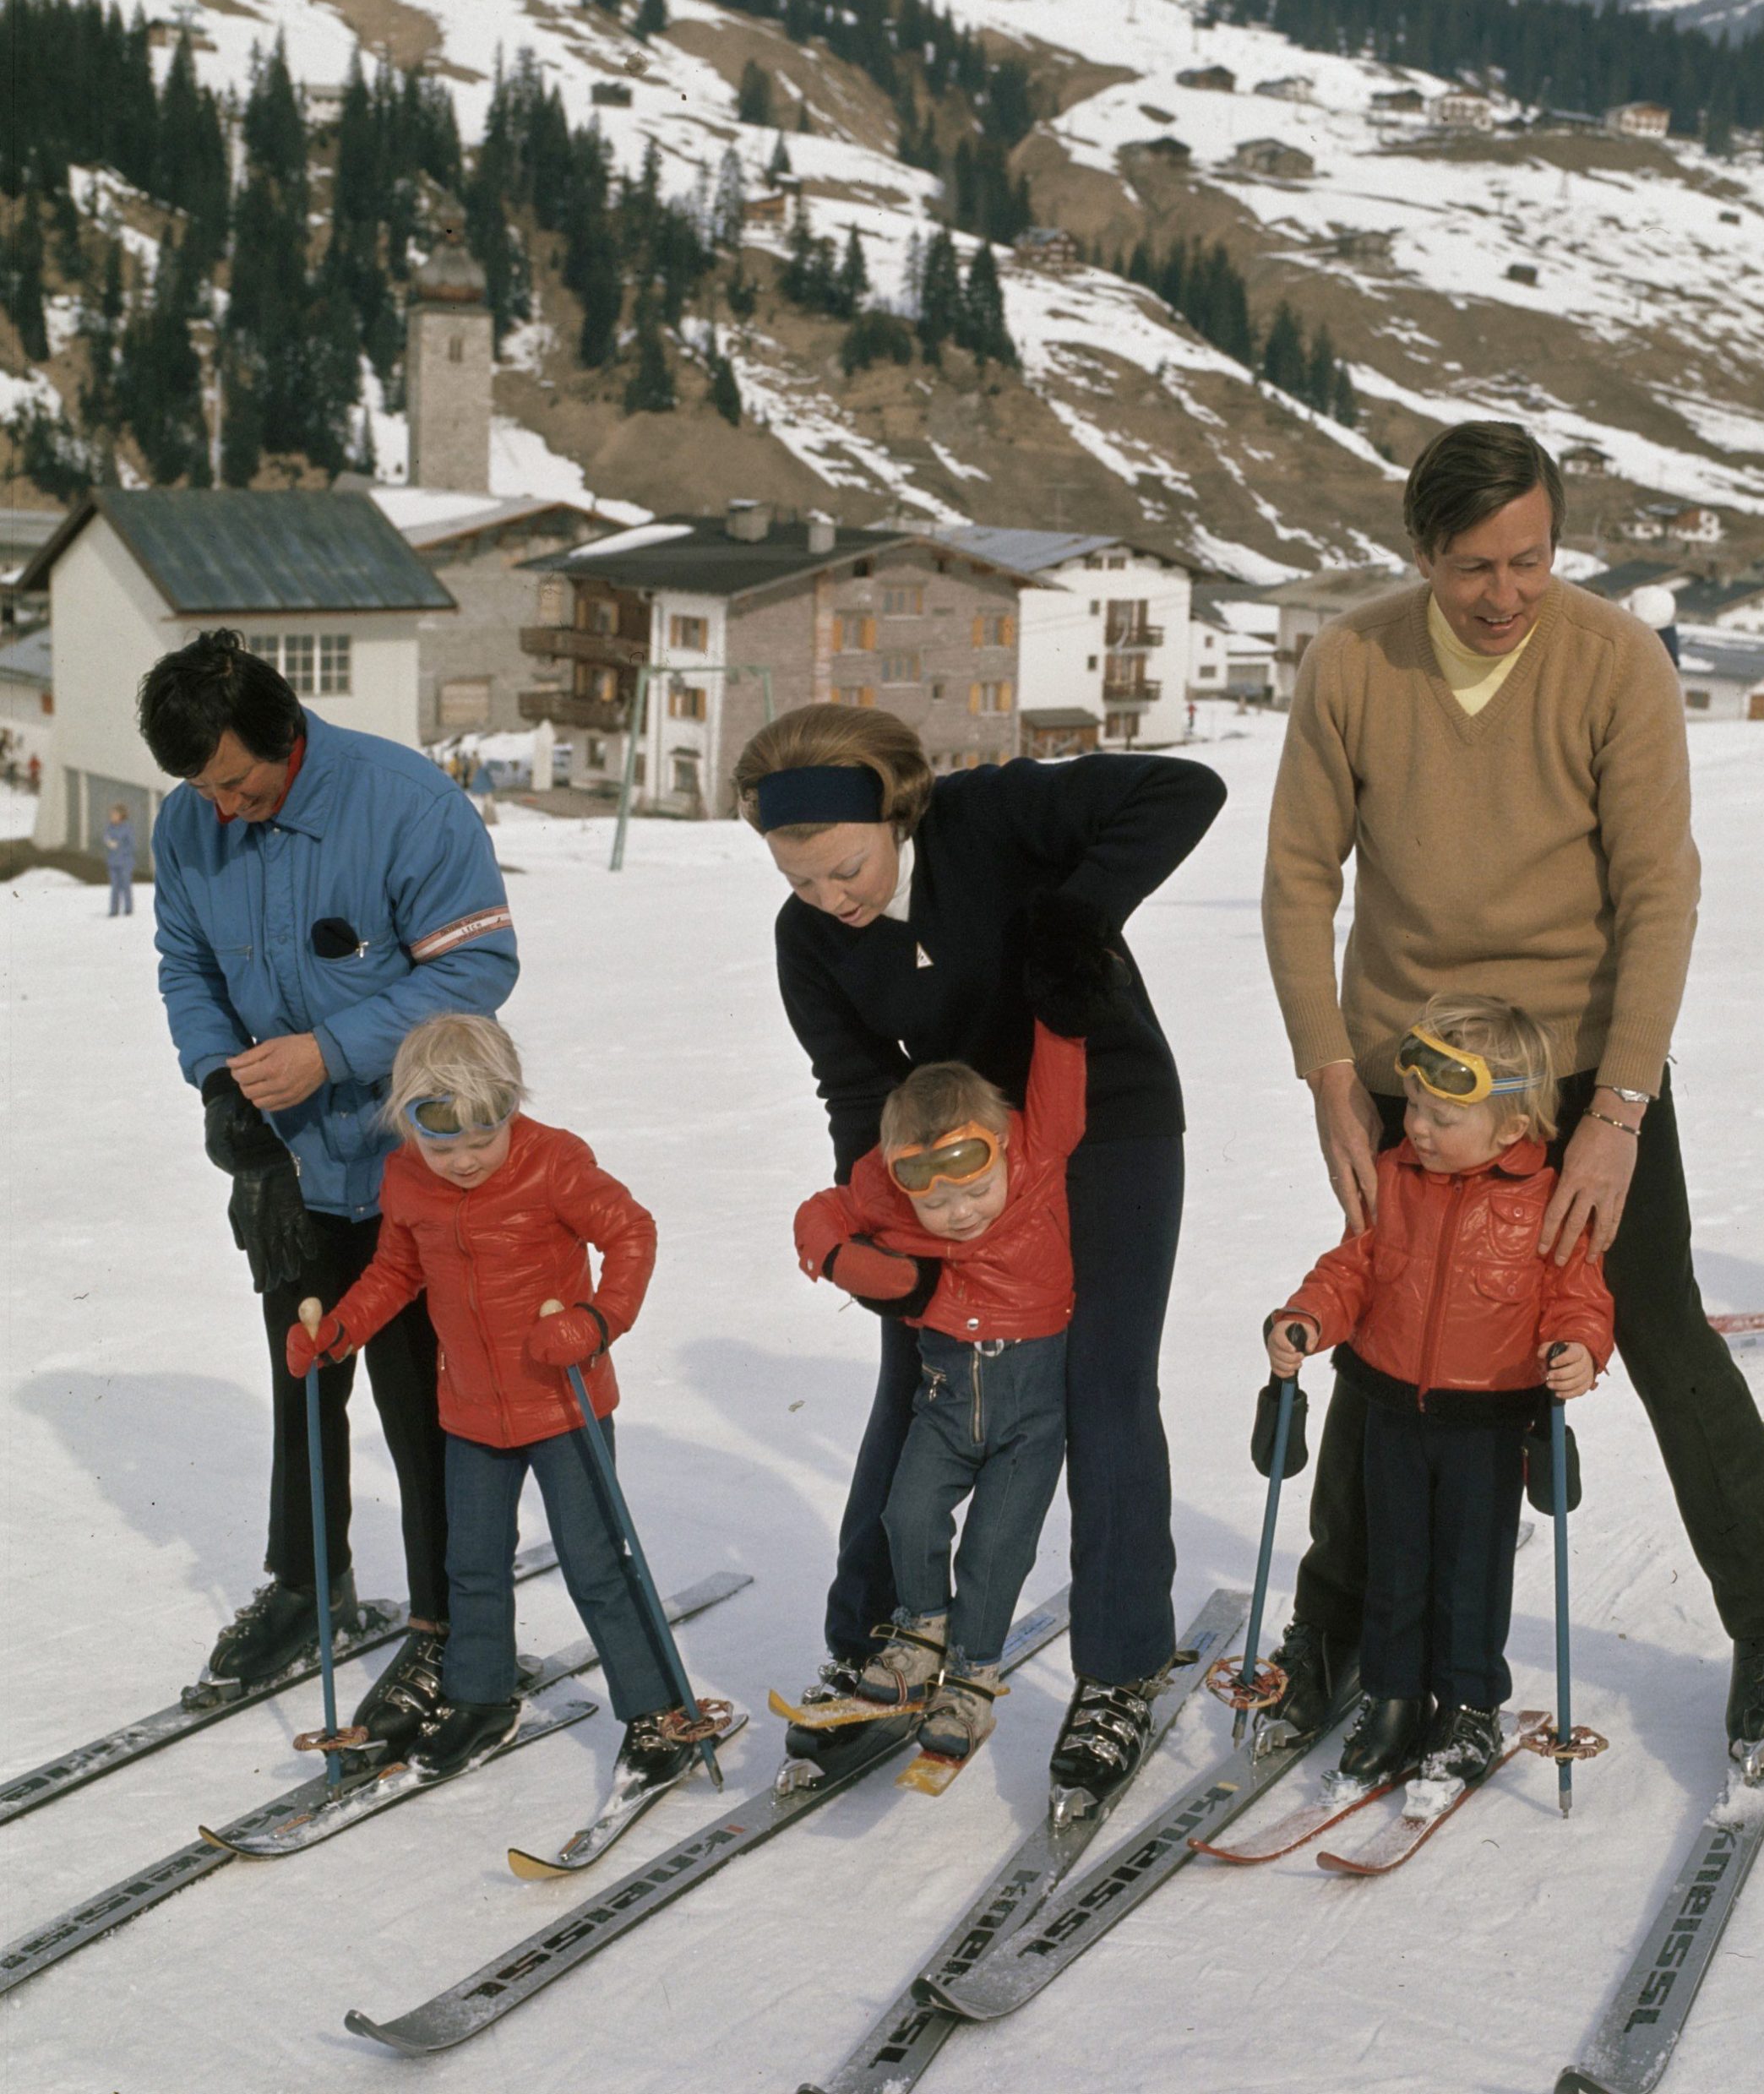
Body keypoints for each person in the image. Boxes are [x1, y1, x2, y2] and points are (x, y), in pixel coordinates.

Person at [1262, 420, 1764, 1773]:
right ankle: (1337, 1626)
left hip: (1580, 1065)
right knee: (1390, 1335)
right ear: (1422, 555)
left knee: (1651, 1326)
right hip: (1417, 1073)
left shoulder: (1610, 661)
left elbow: (1657, 892)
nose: (1506, 593)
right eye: (1473, 567)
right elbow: (1299, 879)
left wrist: (1618, 1112)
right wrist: (1332, 1078)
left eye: (1529, 559)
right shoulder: (1353, 659)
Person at [732, 704, 1223, 1802]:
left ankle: (1120, 1670)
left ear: (895, 814)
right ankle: (876, 1646)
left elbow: (1184, 790)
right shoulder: (805, 937)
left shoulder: (989, 815)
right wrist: (876, 1227)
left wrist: (1078, 915)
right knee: (915, 1386)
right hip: (957, 1174)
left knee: (1100, 1388)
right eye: (801, 879)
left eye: (846, 869)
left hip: (1107, 1126)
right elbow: (856, 1091)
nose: (831, 898)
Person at [142, 630, 517, 1743]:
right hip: (292, 1161)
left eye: (235, 781)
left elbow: (476, 968)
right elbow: (187, 962)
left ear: (284, 733)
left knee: (421, 1404)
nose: (221, 807)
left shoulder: (404, 803)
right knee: (304, 1372)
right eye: (200, 788)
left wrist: (330, 1050)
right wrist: (224, 1094)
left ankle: (455, 1633)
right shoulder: (191, 818)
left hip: (416, 1156)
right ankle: (309, 1584)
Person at [288, 1014, 708, 1788]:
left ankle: (657, 1710)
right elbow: (395, 1273)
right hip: (472, 1411)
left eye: (481, 1141)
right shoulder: (407, 1176)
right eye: (440, 1147)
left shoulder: (554, 1162)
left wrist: (596, 1319)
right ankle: (479, 1697)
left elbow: (632, 1234)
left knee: (595, 1565)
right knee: (471, 1564)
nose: (462, 1163)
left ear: (511, 1106)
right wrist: (340, 1330)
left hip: (563, 1403)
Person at [1264, 995, 1612, 1792]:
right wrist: (1310, 1316)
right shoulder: (1398, 1178)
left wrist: (1579, 1349)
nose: (1416, 1127)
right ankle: (1389, 1700)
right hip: (1390, 1409)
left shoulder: (1546, 1203)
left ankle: (1465, 1710)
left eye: (1440, 1117)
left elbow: (1578, 1297)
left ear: (1513, 1127)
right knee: (1394, 1565)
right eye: (1415, 1106)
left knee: (1469, 1573)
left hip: (1486, 1424)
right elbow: (1352, 1267)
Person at [792, 1017, 1085, 1761]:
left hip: (1029, 1412)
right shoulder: (891, 1193)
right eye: (937, 1205)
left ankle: (973, 1682)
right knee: (907, 1514)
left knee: (993, 1551)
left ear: (1004, 1152)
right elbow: (824, 1212)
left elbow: (1059, 1079)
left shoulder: (1039, 1155)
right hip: (947, 1397)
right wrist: (843, 1260)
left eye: (976, 1189)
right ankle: (922, 1632)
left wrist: (1058, 1013)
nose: (960, 1214)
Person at [103, 802, 135, 916]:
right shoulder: (110, 827)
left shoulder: (127, 828)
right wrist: (109, 842)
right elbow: (106, 837)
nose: (112, 816)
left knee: (126, 885)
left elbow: (131, 845)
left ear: (121, 815)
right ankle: (114, 910)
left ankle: (128, 908)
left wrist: (120, 847)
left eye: (114, 814)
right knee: (114, 887)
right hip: (113, 862)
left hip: (125, 862)